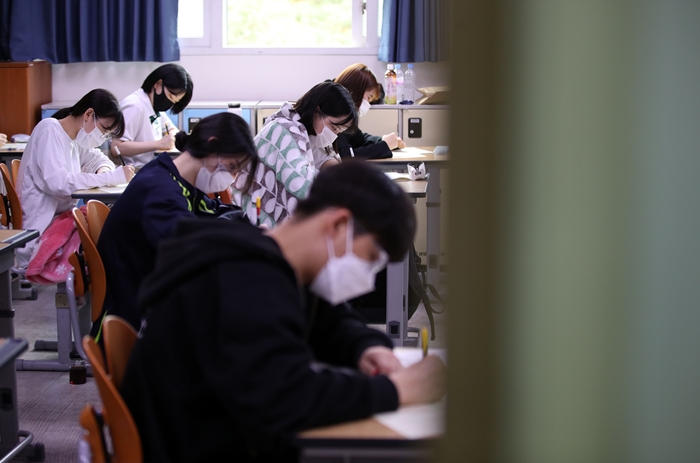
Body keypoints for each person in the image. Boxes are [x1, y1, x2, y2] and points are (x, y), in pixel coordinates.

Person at [121, 161, 446, 462]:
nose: (368, 277)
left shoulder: (266, 260)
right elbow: (285, 400)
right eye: (371, 257)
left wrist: (366, 346)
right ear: (337, 224)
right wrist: (397, 390)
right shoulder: (245, 278)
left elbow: (327, 321)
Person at [96, 112, 258, 336]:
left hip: (150, 295)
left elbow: (212, 210)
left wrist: (249, 225)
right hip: (133, 316)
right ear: (211, 146)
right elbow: (189, 249)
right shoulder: (159, 191)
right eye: (232, 167)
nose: (232, 177)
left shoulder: (171, 177)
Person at [15, 89, 134, 269]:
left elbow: (100, 160)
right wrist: (109, 178)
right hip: (42, 229)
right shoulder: (49, 130)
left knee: (113, 230)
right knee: (111, 237)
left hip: (61, 221)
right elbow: (59, 183)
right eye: (104, 130)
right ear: (88, 114)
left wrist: (103, 172)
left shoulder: (75, 139)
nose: (103, 138)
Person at [231, 81, 357, 228]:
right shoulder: (284, 129)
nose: (334, 135)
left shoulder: (304, 131)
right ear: (317, 111)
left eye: (338, 132)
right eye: (334, 128)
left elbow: (323, 159)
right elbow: (298, 182)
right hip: (252, 220)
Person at [111, 64, 193, 169]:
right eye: (170, 96)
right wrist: (159, 144)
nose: (170, 103)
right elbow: (117, 148)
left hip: (151, 167)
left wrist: (171, 137)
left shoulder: (154, 106)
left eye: (175, 101)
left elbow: (171, 129)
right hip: (134, 170)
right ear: (158, 84)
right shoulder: (135, 106)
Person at [332, 63, 406, 160]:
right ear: (358, 89)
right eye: (369, 97)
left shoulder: (346, 113)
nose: (368, 104)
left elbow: (359, 139)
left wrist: (383, 139)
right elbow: (346, 156)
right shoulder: (334, 108)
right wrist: (384, 146)